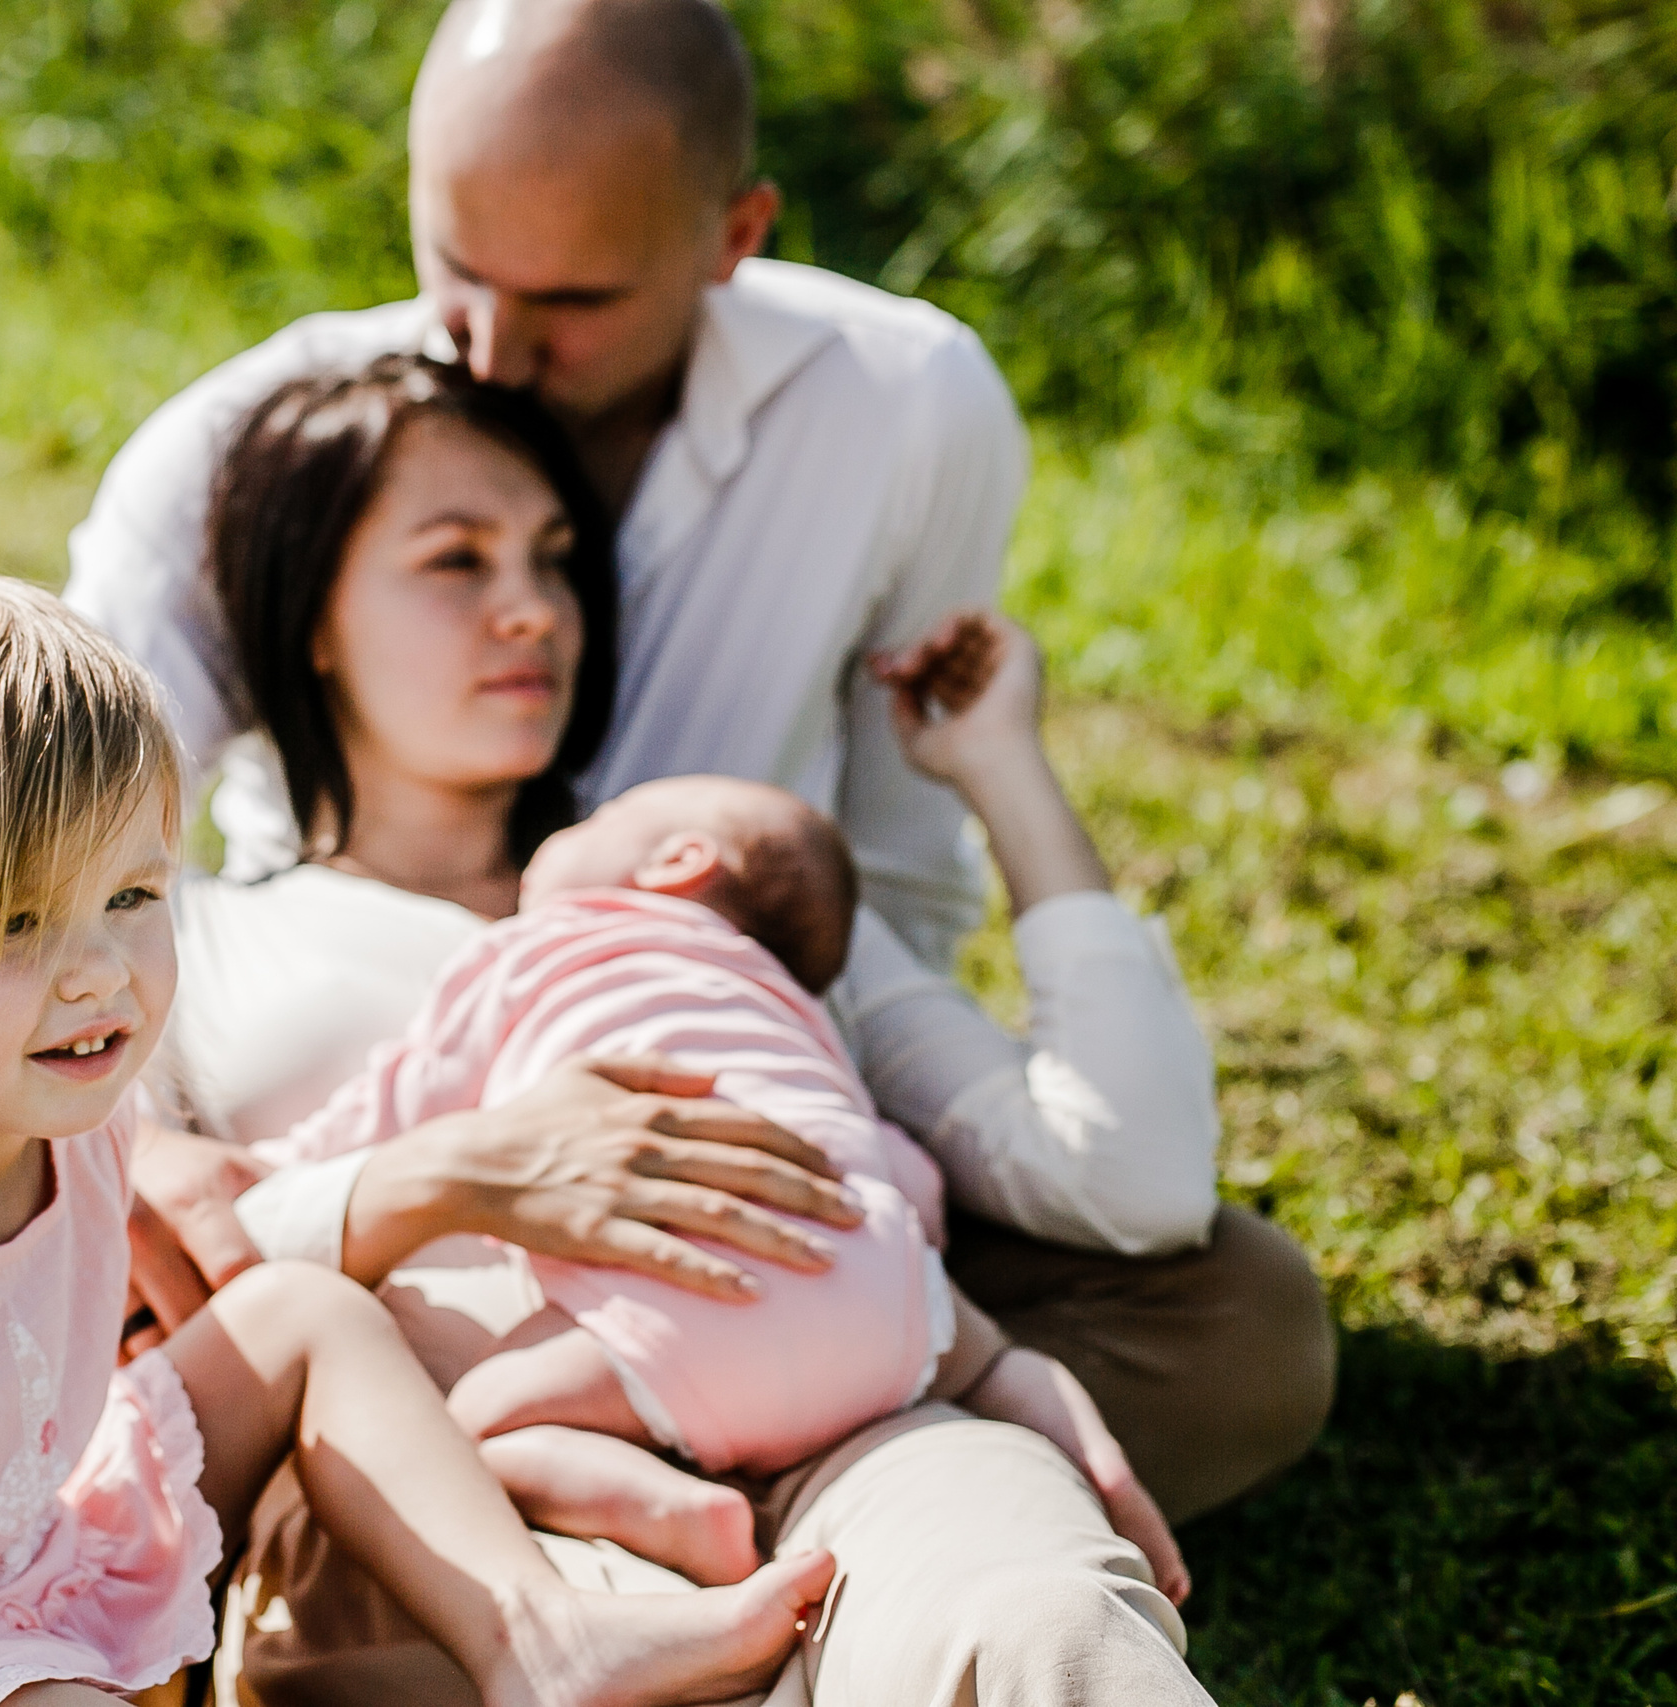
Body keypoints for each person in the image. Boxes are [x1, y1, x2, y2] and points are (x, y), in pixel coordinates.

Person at [72, 0, 1331, 1532]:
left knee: (1241, 1317)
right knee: (120, 1280)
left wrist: (802, 1127)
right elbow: (35, 865)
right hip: (369, 1181)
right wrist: (155, 1156)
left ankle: (717, 1454)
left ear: (734, 236)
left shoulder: (897, 407)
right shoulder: (247, 461)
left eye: (573, 298)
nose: (486, 345)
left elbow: (903, 869)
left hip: (754, 1075)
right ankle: (745, 1487)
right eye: (452, 265)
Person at [0, 575, 839, 1707]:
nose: (100, 977)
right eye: (14, 923)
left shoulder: (76, 1114)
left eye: (131, 896)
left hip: (27, 1565)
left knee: (303, 1315)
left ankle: (535, 1636)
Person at [154, 357, 1220, 1703]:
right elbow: (117, 1299)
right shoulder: (191, 941)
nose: (532, 610)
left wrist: (1004, 761)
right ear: (310, 614)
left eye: (551, 560)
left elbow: (1128, 1171)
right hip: (458, 1498)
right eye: (456, 560)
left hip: (851, 1413)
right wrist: (457, 1169)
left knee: (1041, 1615)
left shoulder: (725, 894)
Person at [265, 764, 1192, 1604]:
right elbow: (892, 1161)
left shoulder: (535, 948)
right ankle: (1101, 1469)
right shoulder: (792, 1010)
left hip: (683, 1304)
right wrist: (913, 1248)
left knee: (460, 1430)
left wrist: (281, 1169)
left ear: (678, 859)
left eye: (612, 812)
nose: (587, 816)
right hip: (879, 1296)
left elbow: (398, 1101)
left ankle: (672, 1509)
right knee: (995, 1363)